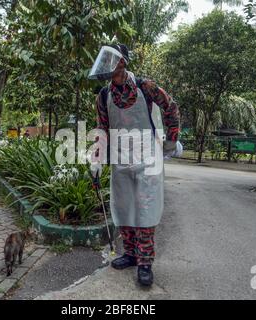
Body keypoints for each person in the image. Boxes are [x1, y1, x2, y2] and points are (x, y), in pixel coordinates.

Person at [88, 44, 182, 287]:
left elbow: (171, 107)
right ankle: (130, 254)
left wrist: (171, 139)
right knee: (124, 208)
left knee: (145, 208)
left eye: (111, 59)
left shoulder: (145, 87)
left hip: (147, 158)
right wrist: (96, 160)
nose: (107, 64)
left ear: (122, 63)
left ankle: (145, 262)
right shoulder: (104, 96)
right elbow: (102, 129)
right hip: (121, 159)